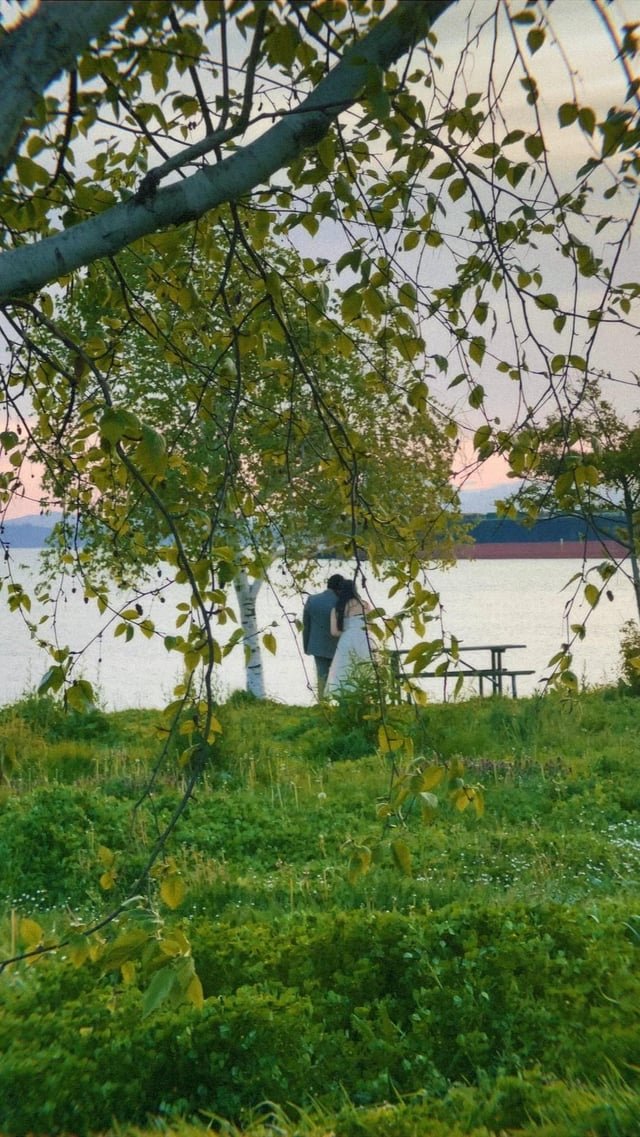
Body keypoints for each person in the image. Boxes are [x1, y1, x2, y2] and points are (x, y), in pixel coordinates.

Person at [325, 579, 373, 696]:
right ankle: (366, 694)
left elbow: (334, 632)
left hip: (347, 640)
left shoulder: (338, 609)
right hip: (364, 639)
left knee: (343, 668)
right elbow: (371, 626)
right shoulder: (365, 605)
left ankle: (343, 695)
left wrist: (348, 632)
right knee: (365, 665)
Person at [302, 573, 345, 698]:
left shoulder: (312, 600)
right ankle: (341, 703)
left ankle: (322, 703)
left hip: (318, 646)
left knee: (322, 677)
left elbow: (306, 625)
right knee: (341, 678)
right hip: (339, 647)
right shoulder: (344, 603)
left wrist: (306, 646)